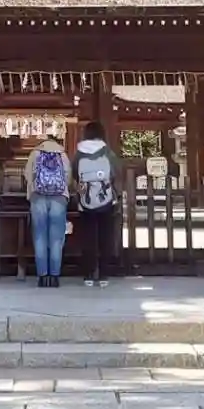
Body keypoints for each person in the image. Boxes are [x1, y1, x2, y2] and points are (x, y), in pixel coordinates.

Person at [72, 121, 123, 287]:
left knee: (88, 237)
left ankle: (88, 274)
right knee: (105, 237)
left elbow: (75, 174)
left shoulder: (79, 153)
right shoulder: (107, 152)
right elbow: (116, 172)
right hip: (105, 199)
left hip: (85, 200)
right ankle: (103, 274)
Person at [26, 133, 71, 287]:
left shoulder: (35, 153)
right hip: (59, 197)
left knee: (39, 236)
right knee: (57, 237)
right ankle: (55, 276)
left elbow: (28, 175)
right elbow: (68, 177)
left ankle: (42, 276)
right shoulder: (62, 154)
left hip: (38, 197)